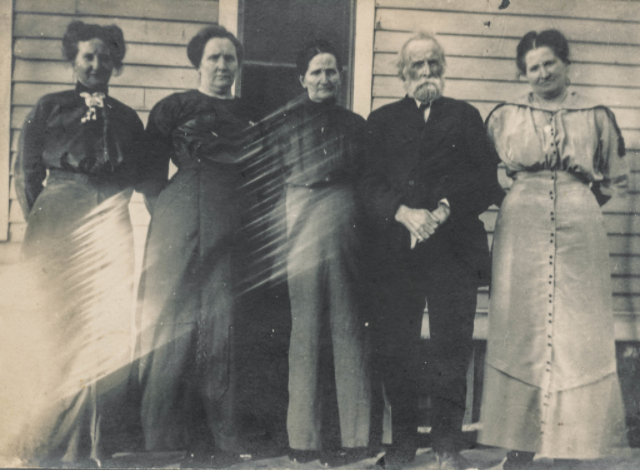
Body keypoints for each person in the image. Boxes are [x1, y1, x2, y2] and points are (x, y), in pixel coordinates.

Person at [477, 29, 629, 469]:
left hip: (579, 228)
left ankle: (572, 447)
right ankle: (518, 446)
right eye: (533, 67)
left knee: (578, 333)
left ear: (566, 64)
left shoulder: (596, 116)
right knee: (520, 327)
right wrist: (512, 192)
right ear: (522, 74)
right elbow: (482, 170)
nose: (542, 73)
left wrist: (578, 201)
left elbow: (615, 179)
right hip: (521, 226)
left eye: (549, 63)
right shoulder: (504, 116)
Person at [360, 32, 504, 470]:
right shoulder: (381, 120)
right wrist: (402, 212)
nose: (426, 72)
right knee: (396, 348)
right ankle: (402, 446)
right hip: (396, 251)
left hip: (454, 250)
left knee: (452, 348)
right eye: (417, 65)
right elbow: (367, 183)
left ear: (442, 68)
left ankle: (446, 446)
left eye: (433, 64)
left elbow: (486, 179)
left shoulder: (464, 115)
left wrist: (443, 209)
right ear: (402, 73)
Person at [14, 20, 146, 467]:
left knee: (106, 327)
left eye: (105, 57)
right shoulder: (49, 107)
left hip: (111, 220)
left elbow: (135, 175)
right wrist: (48, 223)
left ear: (115, 63)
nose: (96, 64)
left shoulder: (127, 117)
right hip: (58, 219)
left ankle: (91, 448)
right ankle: (45, 446)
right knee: (57, 327)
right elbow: (27, 174)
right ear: (73, 59)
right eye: (88, 56)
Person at [136, 24, 259, 468]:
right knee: (174, 317)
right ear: (198, 63)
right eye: (214, 58)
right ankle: (165, 435)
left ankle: (224, 436)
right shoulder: (174, 107)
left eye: (230, 58)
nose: (223, 65)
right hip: (180, 217)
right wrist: (175, 215)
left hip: (235, 218)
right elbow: (150, 176)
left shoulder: (251, 112)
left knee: (224, 319)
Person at [279, 40, 371, 466]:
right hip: (298, 212)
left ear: (341, 76)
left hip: (343, 213)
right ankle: (304, 439)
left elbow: (367, 179)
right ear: (302, 78)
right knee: (305, 325)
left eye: (331, 71)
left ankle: (354, 437)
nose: (324, 79)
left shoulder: (356, 124)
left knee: (347, 321)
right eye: (315, 72)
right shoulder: (284, 124)